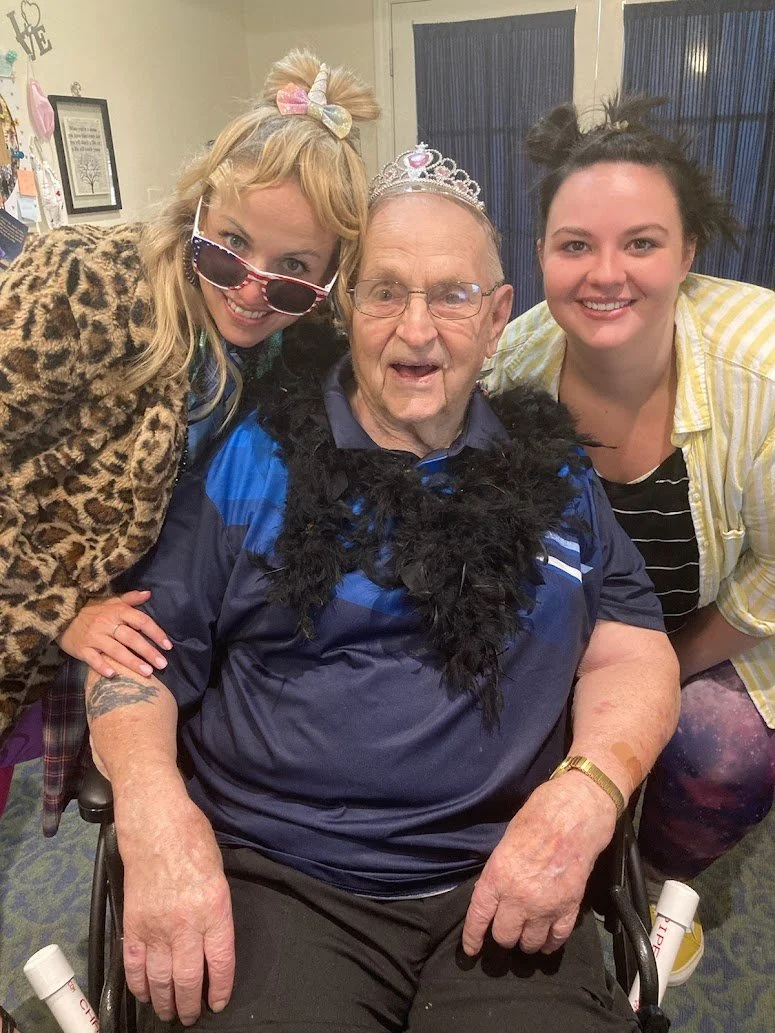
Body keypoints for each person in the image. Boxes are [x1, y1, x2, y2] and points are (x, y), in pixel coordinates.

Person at [85, 144, 679, 1032]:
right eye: (384, 291)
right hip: (278, 879)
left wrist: (587, 790)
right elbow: (136, 659)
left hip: (505, 876)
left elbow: (633, 647)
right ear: (345, 309)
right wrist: (152, 810)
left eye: (451, 294)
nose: (416, 328)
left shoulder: (553, 471)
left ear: (496, 315)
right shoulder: (252, 459)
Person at [0, 50, 379, 829]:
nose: (248, 288)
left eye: (291, 274)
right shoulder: (85, 282)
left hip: (108, 631)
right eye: (228, 246)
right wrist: (59, 607)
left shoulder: (291, 347)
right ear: (199, 207)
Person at [486, 95, 775, 984]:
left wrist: (666, 665)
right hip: (576, 615)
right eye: (575, 245)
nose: (604, 274)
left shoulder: (761, 368)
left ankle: (655, 882)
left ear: (689, 253)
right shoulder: (506, 369)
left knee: (715, 750)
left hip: (723, 617)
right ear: (540, 256)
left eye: (640, 243)